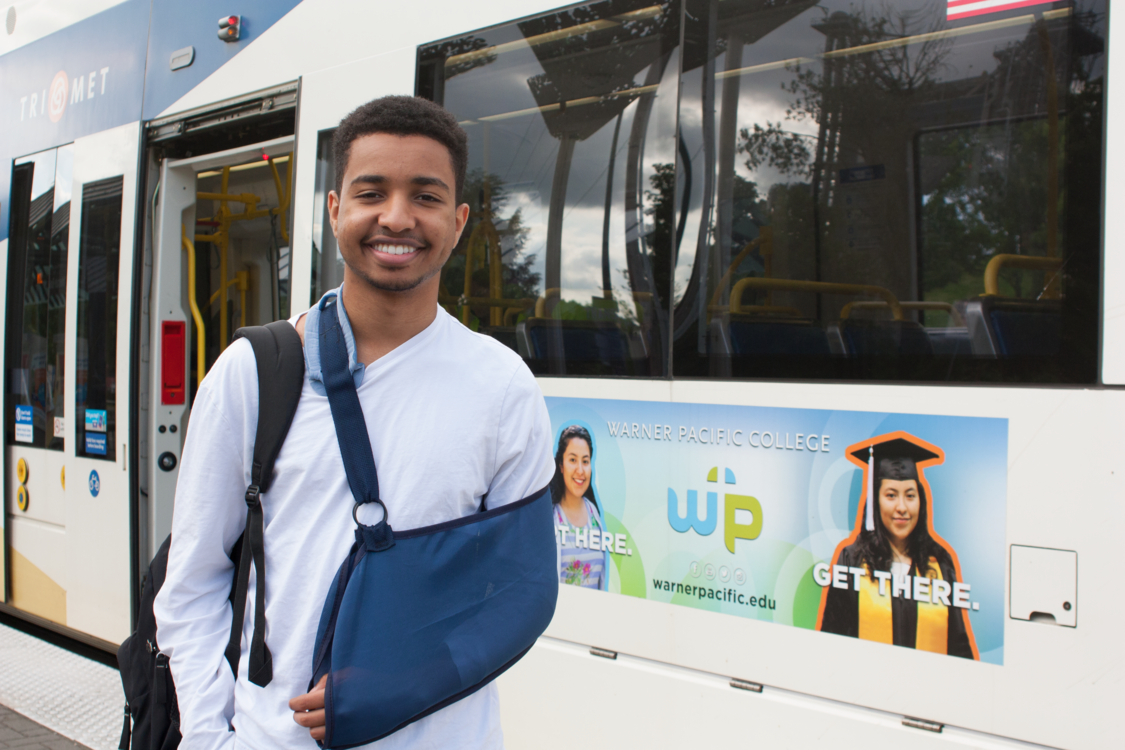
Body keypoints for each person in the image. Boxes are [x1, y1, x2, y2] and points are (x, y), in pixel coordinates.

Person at [153, 95, 555, 748]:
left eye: (425, 197)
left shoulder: (501, 384)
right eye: (372, 192)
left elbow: (519, 596)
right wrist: (208, 738)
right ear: (336, 210)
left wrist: (392, 691)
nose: (396, 217)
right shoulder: (252, 373)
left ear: (457, 223)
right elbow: (191, 586)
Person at [818, 435, 978, 659]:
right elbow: (832, 641)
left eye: (910, 496)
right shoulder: (851, 560)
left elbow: (959, 647)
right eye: (891, 495)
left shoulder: (940, 562)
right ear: (875, 501)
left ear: (920, 501)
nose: (902, 507)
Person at [550, 425, 610, 591]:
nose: (580, 470)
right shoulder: (550, 516)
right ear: (561, 465)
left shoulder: (594, 515)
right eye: (572, 460)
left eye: (585, 461)